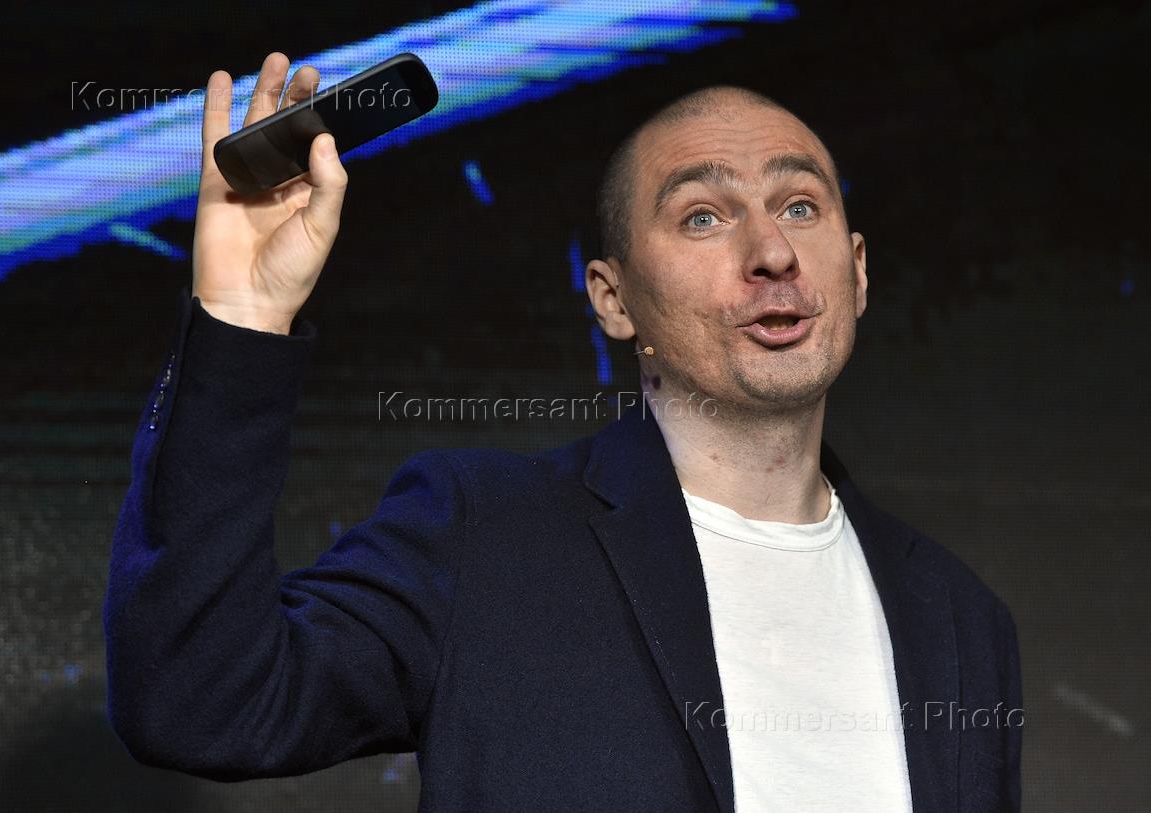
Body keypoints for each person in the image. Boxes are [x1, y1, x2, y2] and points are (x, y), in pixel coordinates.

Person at [104, 52, 1022, 812]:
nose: (772, 252)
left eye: (800, 206)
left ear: (856, 272)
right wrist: (239, 322)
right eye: (703, 216)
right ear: (613, 300)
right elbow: (199, 701)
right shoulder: (483, 533)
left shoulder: (961, 619)